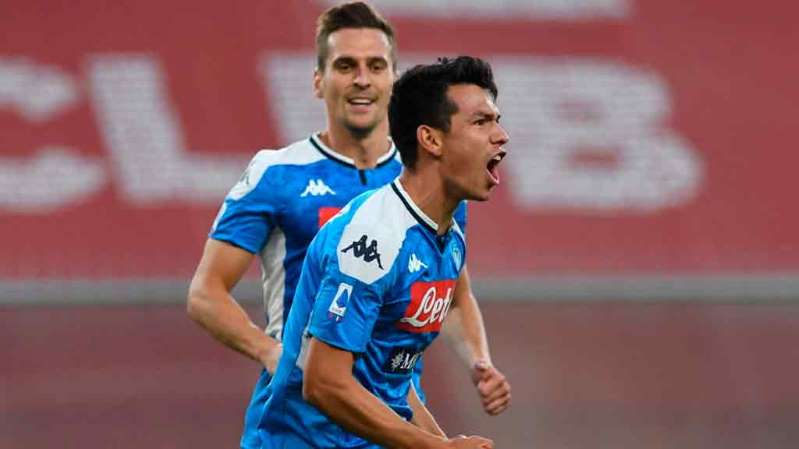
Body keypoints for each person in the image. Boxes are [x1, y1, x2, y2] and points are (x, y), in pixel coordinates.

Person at [187, 3, 509, 448]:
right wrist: (273, 352)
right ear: (319, 80)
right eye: (345, 66)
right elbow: (205, 293)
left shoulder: (438, 184)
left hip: (390, 408)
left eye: (376, 66)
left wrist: (478, 361)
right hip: (305, 413)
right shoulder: (278, 174)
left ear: (392, 80)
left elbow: (449, 294)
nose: (362, 79)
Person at [257, 55, 509, 449]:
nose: (501, 135)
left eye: (496, 120)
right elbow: (323, 383)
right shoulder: (374, 238)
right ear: (431, 140)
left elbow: (390, 377)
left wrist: (442, 443)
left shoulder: (448, 235)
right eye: (481, 122)